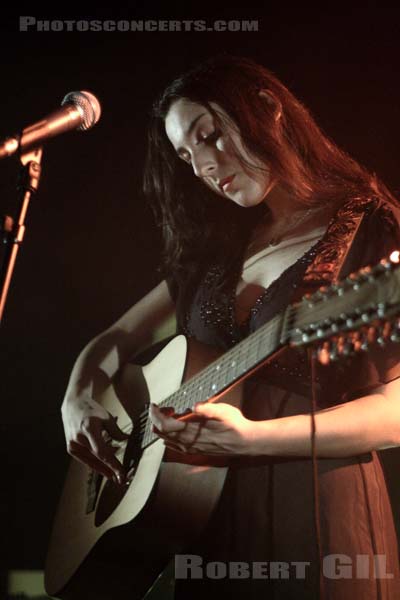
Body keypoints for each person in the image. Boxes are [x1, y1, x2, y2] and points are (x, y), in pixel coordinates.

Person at [61, 55, 400, 599]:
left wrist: (254, 440)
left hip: (315, 510)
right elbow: (112, 341)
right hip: (200, 520)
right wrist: (76, 400)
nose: (203, 167)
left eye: (210, 135)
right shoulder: (220, 249)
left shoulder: (369, 227)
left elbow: (394, 413)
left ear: (268, 109)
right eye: (186, 156)